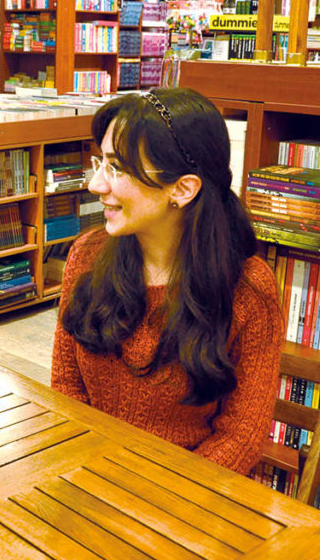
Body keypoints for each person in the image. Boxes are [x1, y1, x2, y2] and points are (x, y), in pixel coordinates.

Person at [51, 88, 283, 474]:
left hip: (187, 494)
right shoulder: (87, 256)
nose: (96, 185)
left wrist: (160, 495)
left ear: (183, 189)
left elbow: (240, 438)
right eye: (100, 162)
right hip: (88, 475)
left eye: (117, 168)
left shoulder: (247, 289)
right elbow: (66, 389)